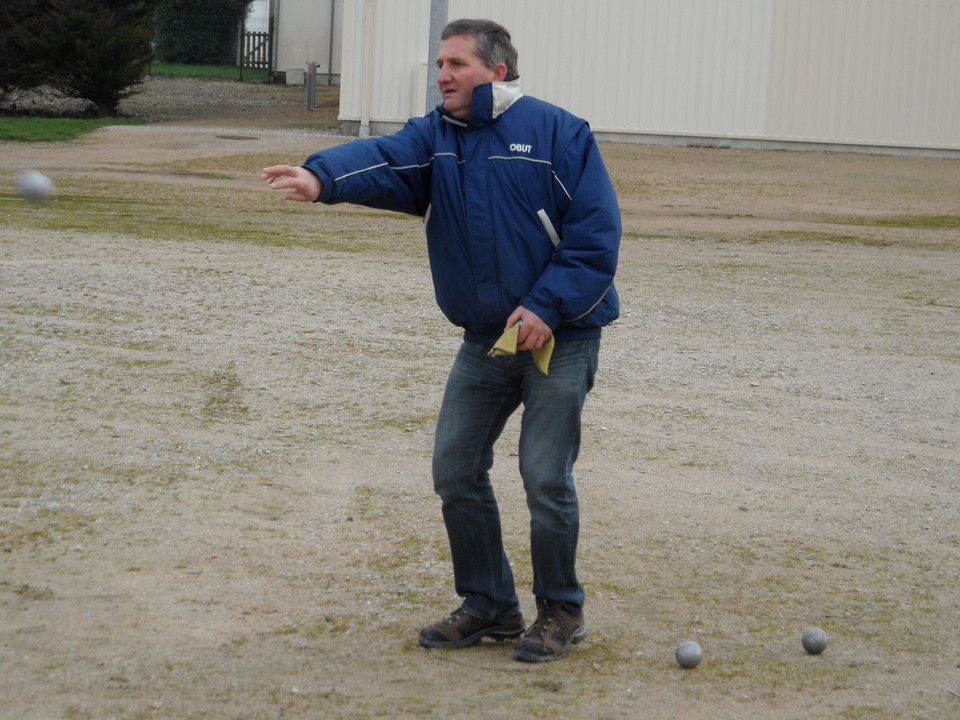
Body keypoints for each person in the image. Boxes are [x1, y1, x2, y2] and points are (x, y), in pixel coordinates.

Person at [262, 18, 620, 663]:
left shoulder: (558, 133)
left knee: (544, 478)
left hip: (559, 335)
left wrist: (544, 305)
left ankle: (561, 611)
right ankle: (491, 606)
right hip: (486, 338)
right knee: (455, 471)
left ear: (497, 71)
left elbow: (595, 239)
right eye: (441, 64)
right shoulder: (439, 137)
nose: (443, 76)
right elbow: (385, 158)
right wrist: (321, 179)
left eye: (456, 64)